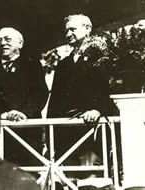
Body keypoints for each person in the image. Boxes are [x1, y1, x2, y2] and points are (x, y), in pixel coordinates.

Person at [46, 14, 110, 168]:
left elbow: (107, 89)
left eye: (73, 30)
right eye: (67, 31)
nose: (68, 34)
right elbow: (55, 99)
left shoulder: (102, 57)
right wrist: (49, 133)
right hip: (66, 130)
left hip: (91, 127)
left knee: (92, 175)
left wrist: (97, 110)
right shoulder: (63, 64)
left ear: (87, 29)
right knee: (69, 175)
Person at [0, 27, 48, 165]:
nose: (2, 43)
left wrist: (24, 113)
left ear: (20, 43)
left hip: (26, 131)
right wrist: (1, 114)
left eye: (7, 39)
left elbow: (40, 93)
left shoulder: (32, 65)